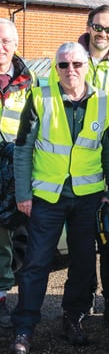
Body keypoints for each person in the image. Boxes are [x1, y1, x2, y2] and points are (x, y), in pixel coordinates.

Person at [9, 42, 109, 354]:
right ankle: (24, 328)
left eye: (76, 64)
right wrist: (23, 194)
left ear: (87, 66)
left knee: (84, 263)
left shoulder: (104, 101)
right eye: (63, 65)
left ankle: (73, 318)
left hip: (87, 198)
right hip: (47, 197)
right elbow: (23, 150)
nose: (70, 70)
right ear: (56, 68)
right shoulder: (40, 98)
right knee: (36, 263)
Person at [49, 5, 109, 326]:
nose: (103, 34)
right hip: (80, 167)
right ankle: (82, 302)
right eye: (98, 27)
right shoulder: (71, 59)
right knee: (82, 241)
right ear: (88, 27)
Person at [0, 19, 36, 329]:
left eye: (6, 41)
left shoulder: (29, 82)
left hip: (15, 170)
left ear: (15, 44)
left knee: (13, 238)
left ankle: (8, 297)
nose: (1, 47)